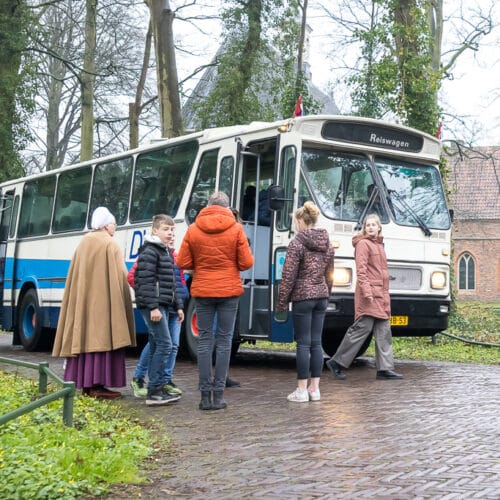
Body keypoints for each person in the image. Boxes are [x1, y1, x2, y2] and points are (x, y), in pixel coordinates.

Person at [177, 192, 254, 411]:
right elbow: (246, 262)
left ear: (208, 206)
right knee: (224, 341)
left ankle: (204, 396)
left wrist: (200, 265)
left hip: (202, 290)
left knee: (204, 341)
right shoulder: (236, 229)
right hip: (229, 291)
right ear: (228, 208)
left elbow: (182, 261)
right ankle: (218, 396)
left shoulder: (193, 229)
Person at [52, 206, 136, 399]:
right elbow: (122, 275)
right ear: (107, 225)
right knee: (103, 338)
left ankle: (85, 384)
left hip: (83, 304)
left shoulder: (84, 242)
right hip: (104, 305)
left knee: (84, 338)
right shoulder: (110, 244)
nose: (115, 228)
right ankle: (97, 385)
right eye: (114, 224)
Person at [325, 213, 403, 381]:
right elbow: (361, 271)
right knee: (361, 329)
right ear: (365, 228)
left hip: (380, 295)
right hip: (370, 295)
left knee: (384, 331)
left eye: (373, 225)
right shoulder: (363, 244)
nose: (370, 227)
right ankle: (337, 362)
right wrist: (367, 293)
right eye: (368, 225)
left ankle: (384, 369)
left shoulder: (380, 246)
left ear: (379, 227)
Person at [277, 201, 335, 403]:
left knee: (303, 343)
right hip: (321, 296)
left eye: (295, 221)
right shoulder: (327, 244)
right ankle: (314, 389)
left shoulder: (296, 243)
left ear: (301, 221)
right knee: (316, 343)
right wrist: (327, 293)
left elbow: (288, 276)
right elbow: (330, 274)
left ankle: (301, 390)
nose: (295, 225)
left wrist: (282, 302)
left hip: (303, 297)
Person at [130, 231, 189, 399]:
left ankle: (164, 381)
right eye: (167, 231)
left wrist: (179, 304)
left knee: (172, 346)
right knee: (160, 344)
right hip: (159, 306)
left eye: (173, 231)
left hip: (172, 307)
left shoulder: (172, 255)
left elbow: (176, 283)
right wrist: (152, 302)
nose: (171, 235)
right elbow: (134, 277)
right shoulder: (151, 253)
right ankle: (143, 380)